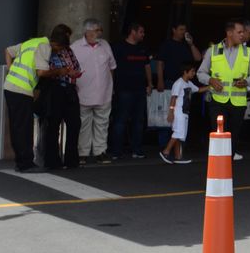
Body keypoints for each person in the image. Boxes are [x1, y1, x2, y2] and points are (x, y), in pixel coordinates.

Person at [197, 18, 250, 160]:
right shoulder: (213, 51)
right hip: (218, 100)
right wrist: (211, 80)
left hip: (238, 102)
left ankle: (228, 163)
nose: (243, 35)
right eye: (240, 32)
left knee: (234, 135)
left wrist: (247, 82)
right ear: (229, 33)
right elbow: (201, 73)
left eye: (243, 32)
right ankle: (218, 161)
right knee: (219, 134)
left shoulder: (247, 52)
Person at [3, 29, 55, 172]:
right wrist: (59, 71)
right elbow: (42, 72)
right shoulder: (44, 46)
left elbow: (8, 50)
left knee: (17, 126)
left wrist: (10, 69)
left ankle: (21, 161)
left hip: (10, 86)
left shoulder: (31, 42)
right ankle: (25, 163)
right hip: (22, 89)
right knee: (24, 127)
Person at [71, 18, 116, 164]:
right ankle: (82, 153)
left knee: (102, 124)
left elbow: (111, 67)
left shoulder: (105, 45)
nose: (100, 33)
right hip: (83, 93)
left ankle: (100, 151)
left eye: (100, 30)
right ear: (88, 31)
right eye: (97, 30)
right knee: (84, 124)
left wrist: (111, 86)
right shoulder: (75, 47)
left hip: (104, 93)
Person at [108, 21, 153, 160]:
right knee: (120, 120)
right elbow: (112, 68)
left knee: (139, 121)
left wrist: (150, 83)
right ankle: (116, 151)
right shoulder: (118, 48)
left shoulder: (143, 48)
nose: (143, 35)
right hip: (123, 89)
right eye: (141, 32)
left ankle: (137, 150)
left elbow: (147, 66)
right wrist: (112, 86)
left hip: (140, 89)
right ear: (133, 32)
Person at [155, 22, 202, 150]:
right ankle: (164, 145)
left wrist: (191, 43)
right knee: (169, 113)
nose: (183, 32)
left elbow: (198, 58)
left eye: (185, 30)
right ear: (174, 30)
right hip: (171, 81)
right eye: (181, 29)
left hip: (185, 83)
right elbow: (160, 63)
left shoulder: (186, 45)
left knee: (182, 112)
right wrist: (160, 80)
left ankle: (178, 146)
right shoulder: (167, 44)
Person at [42, 28, 83, 170]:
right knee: (53, 125)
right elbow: (44, 71)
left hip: (70, 88)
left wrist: (73, 72)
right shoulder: (48, 50)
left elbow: (76, 65)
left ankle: (72, 159)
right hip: (56, 88)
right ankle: (52, 160)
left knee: (75, 123)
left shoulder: (68, 50)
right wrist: (61, 71)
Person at [161, 61, 206, 164]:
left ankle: (178, 156)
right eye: (192, 71)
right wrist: (171, 112)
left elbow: (198, 90)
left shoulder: (188, 83)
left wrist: (211, 87)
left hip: (185, 112)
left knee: (180, 135)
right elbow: (173, 97)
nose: (193, 73)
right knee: (178, 133)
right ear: (185, 72)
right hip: (179, 112)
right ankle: (165, 152)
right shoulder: (178, 83)